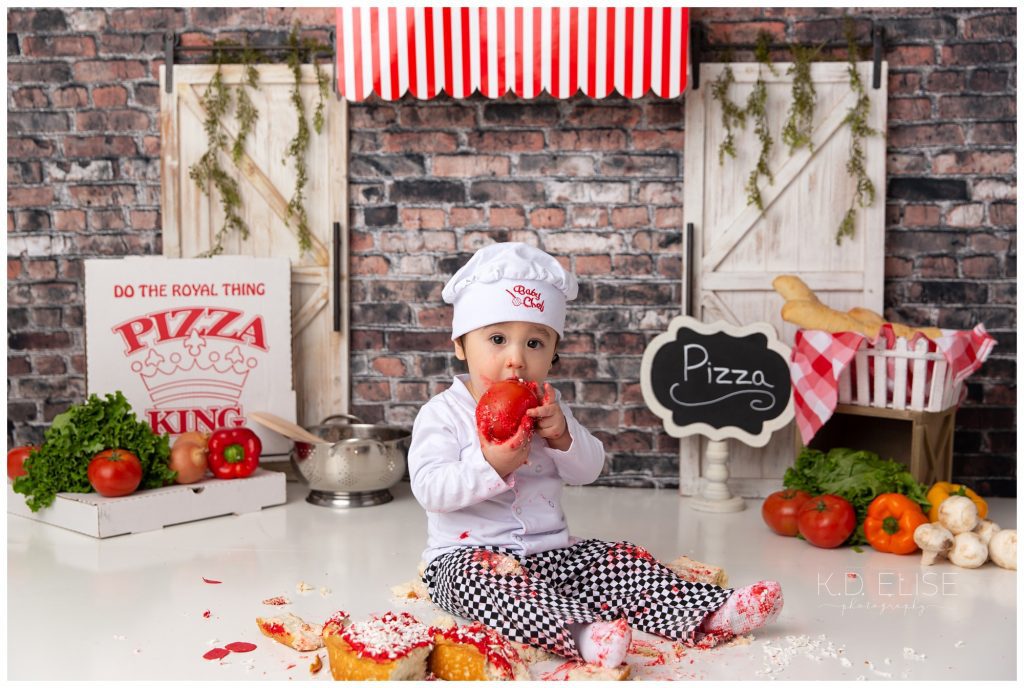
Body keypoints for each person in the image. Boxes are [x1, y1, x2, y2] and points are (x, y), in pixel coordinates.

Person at [408, 242, 783, 668]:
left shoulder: (550, 407)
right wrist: (491, 464)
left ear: (553, 354)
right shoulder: (443, 414)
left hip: (553, 554)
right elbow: (430, 490)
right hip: (467, 560)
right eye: (496, 339)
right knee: (481, 590)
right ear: (461, 345)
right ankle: (585, 634)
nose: (516, 359)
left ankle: (710, 612)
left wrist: (563, 437)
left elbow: (589, 470)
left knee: (618, 562)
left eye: (535, 342)